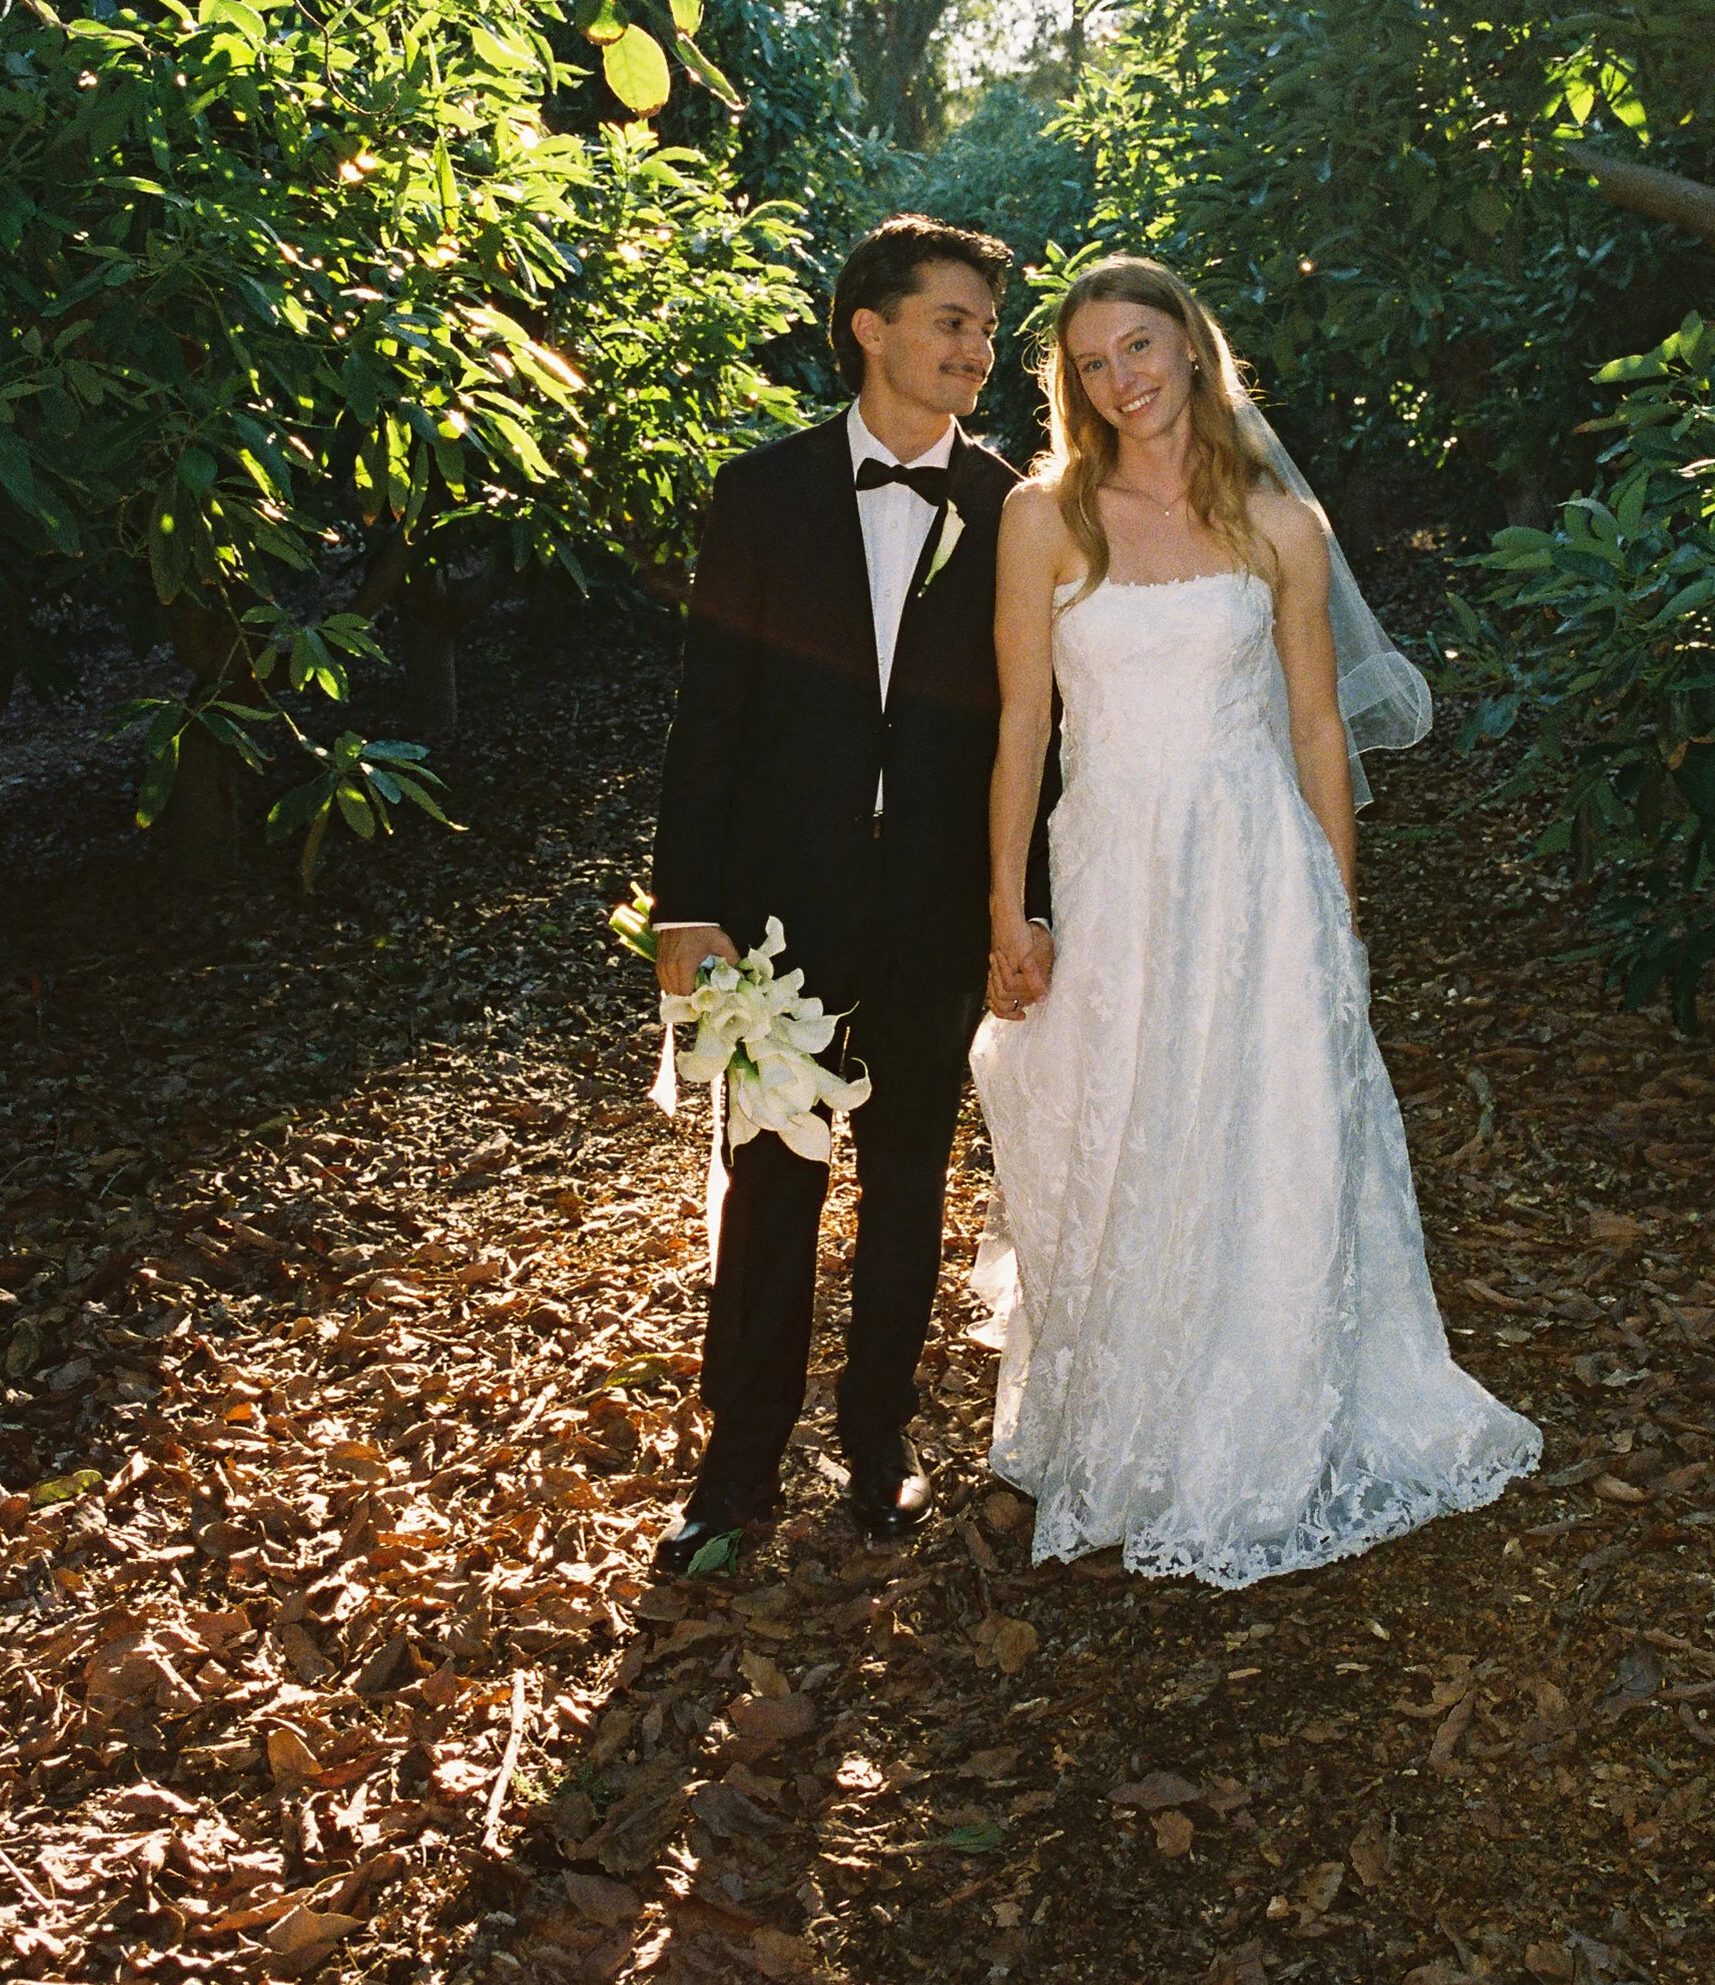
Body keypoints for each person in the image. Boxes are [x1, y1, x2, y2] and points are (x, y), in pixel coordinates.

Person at [970, 254, 1541, 1589]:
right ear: (1074, 383)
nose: (1123, 377)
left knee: (1271, 1123)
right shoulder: (1046, 519)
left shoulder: (1284, 525)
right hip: (1113, 864)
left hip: (1257, 864)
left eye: (1141, 345)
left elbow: (1318, 726)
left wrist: (1336, 906)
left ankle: (1277, 1409)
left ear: (1191, 345)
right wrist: (1009, 900)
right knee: (1127, 1121)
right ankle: (1142, 1417)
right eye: (1095, 361)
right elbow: (1021, 724)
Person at [647, 217, 1059, 1572]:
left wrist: (1023, 906)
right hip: (777, 912)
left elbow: (1035, 734)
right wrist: (684, 905)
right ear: (870, 326)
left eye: (989, 330)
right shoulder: (759, 494)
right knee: (770, 1183)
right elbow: (710, 716)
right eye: (951, 320)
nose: (976, 349)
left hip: (938, 910)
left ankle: (877, 1444)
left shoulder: (1015, 509)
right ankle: (736, 1466)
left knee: (906, 1188)